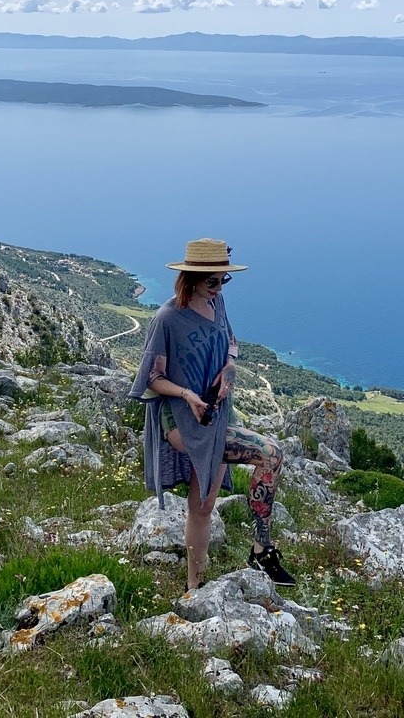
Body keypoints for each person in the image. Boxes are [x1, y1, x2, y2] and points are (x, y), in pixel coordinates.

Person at [129, 238, 295, 591]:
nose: (219, 287)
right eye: (213, 281)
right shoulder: (167, 318)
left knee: (203, 505)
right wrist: (187, 394)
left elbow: (231, 343)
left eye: (224, 280)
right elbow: (152, 377)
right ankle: (262, 549)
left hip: (217, 415)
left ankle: (194, 588)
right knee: (271, 454)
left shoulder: (217, 303)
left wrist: (229, 369)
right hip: (184, 421)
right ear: (190, 278)